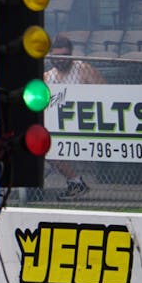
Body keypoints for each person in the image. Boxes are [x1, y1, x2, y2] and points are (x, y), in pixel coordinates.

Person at [44, 34, 106, 200]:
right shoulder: (47, 77)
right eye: (56, 56)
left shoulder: (82, 69)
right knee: (43, 143)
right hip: (58, 127)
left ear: (71, 54)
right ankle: (75, 182)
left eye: (65, 55)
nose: (61, 60)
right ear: (50, 56)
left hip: (88, 123)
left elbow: (106, 92)